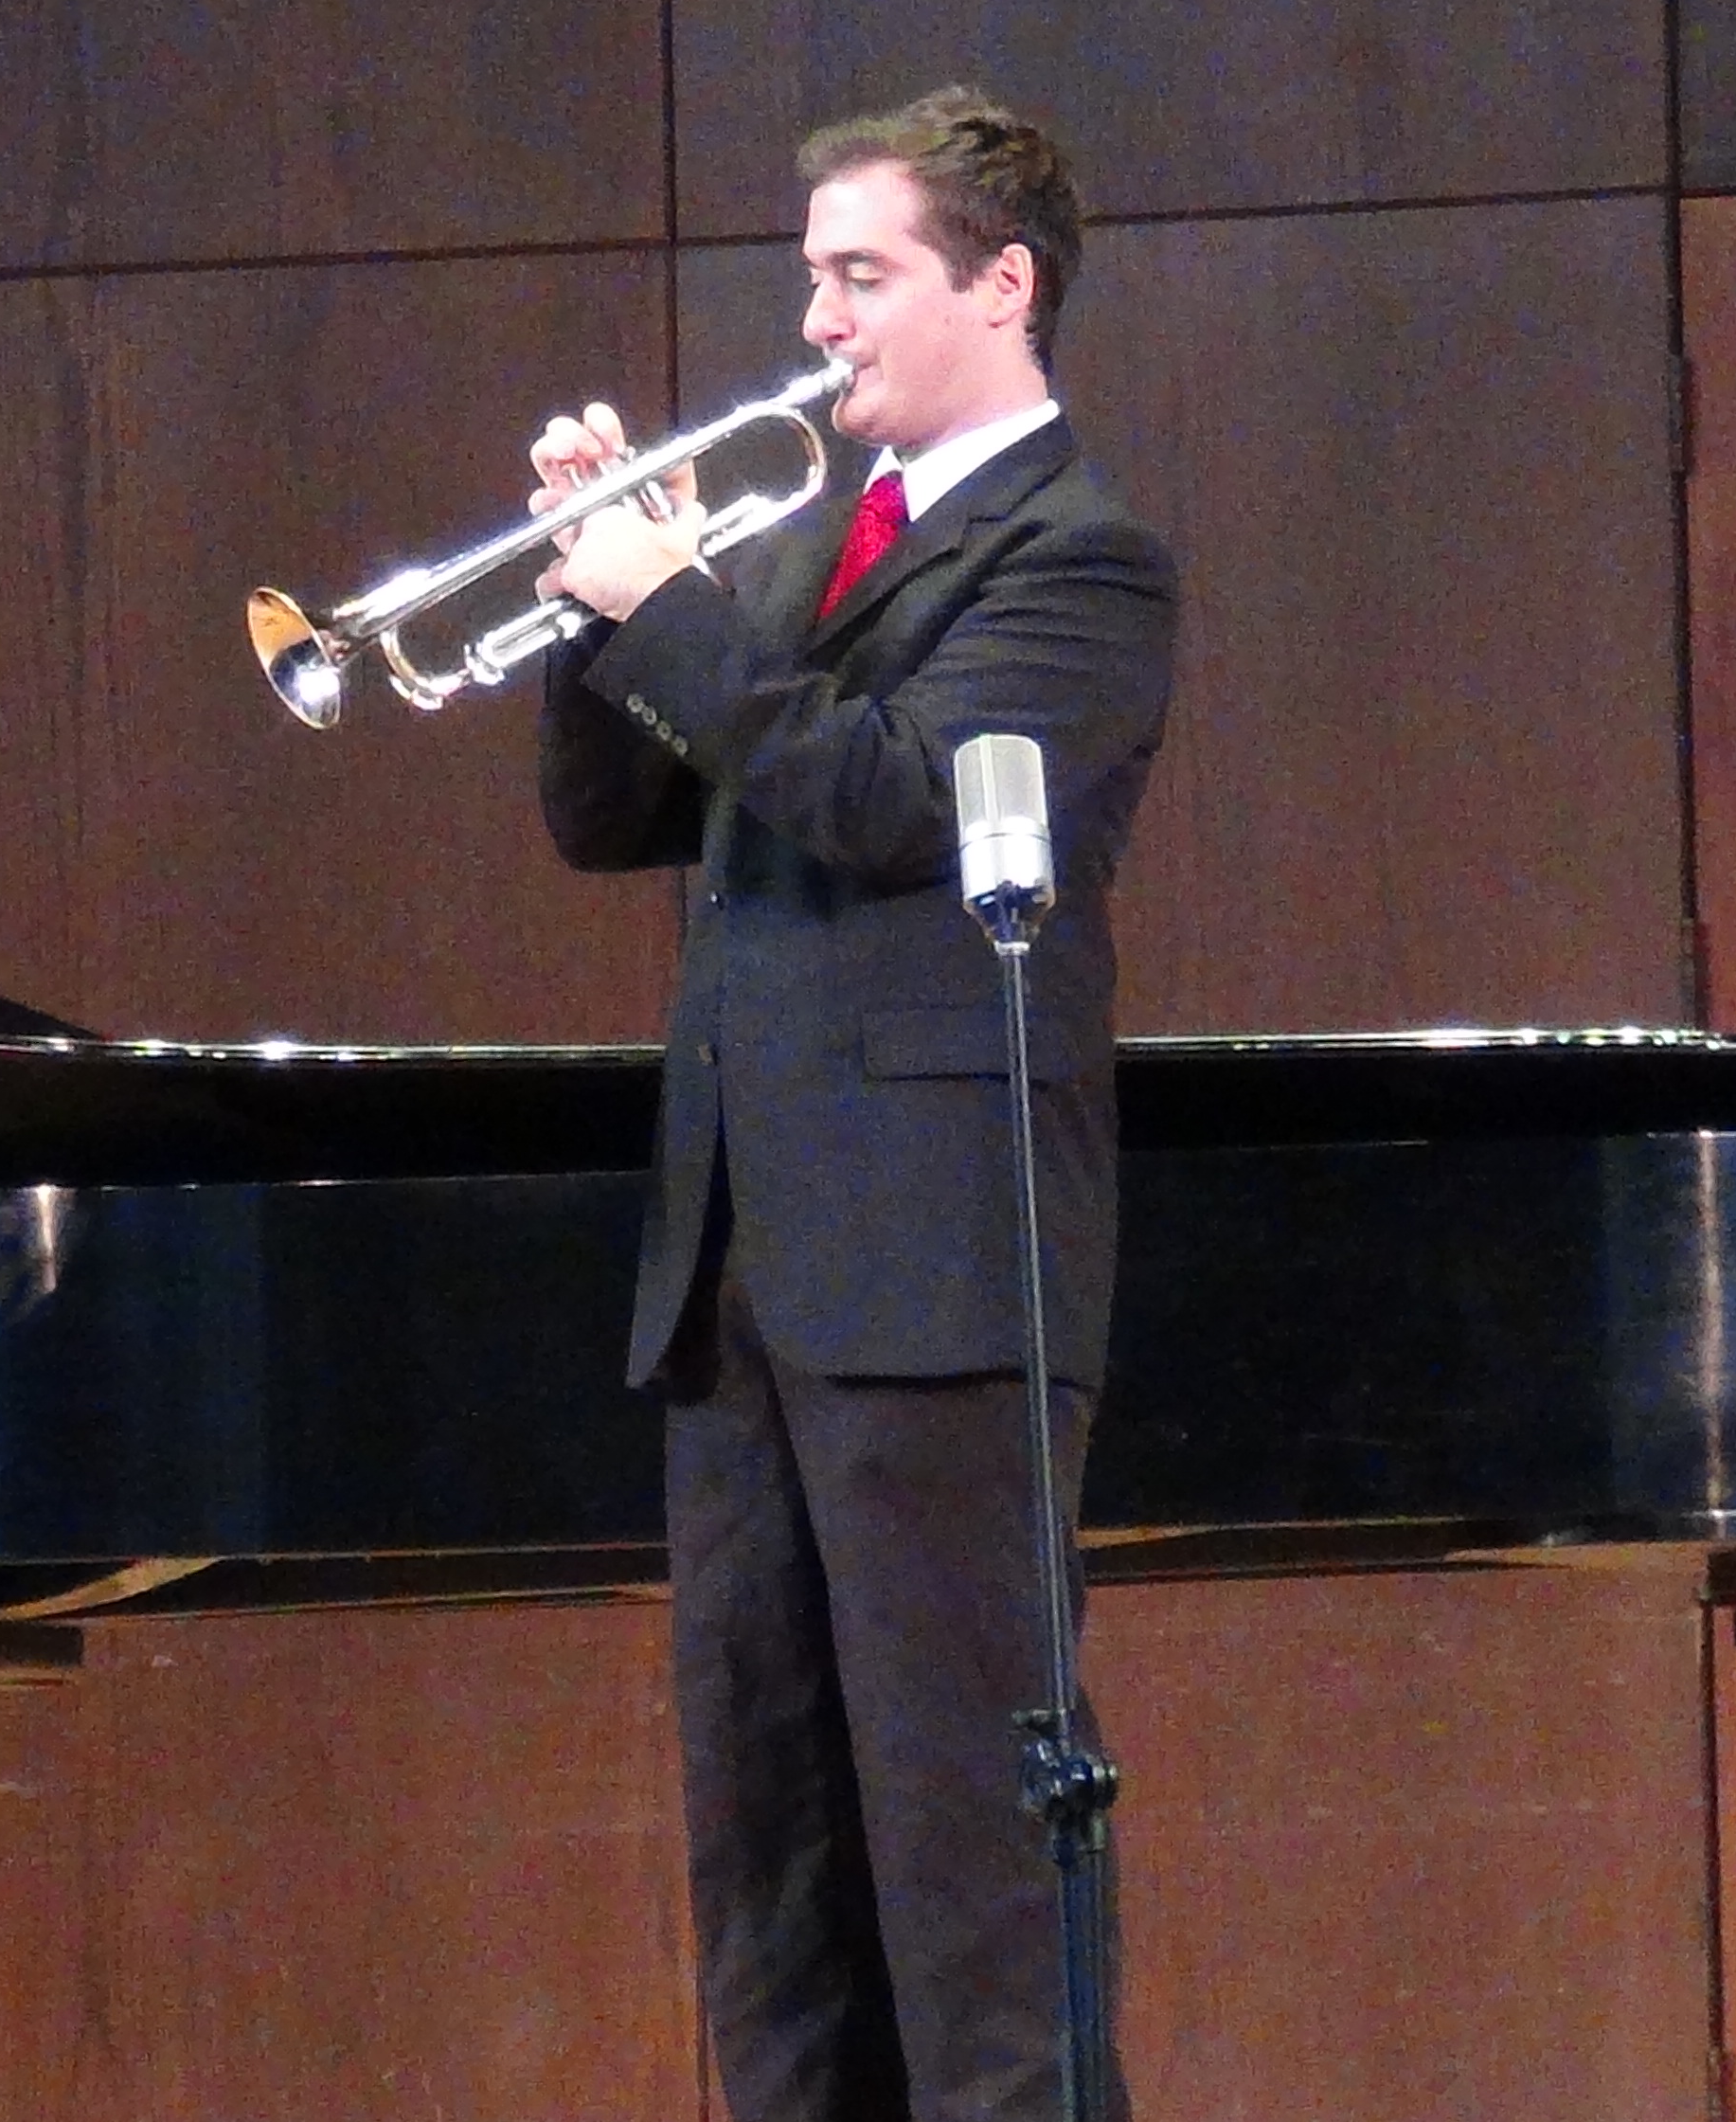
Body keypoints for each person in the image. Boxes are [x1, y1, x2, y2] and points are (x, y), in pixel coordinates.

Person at [530, 88, 1179, 2122]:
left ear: (1003, 286)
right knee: (776, 1869)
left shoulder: (1082, 559)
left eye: (859, 274)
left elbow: (894, 801)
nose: (816, 321)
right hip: (744, 1280)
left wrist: (675, 609)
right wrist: (588, 600)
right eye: (811, 276)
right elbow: (608, 819)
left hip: (934, 1273)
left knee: (972, 1859)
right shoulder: (808, 544)